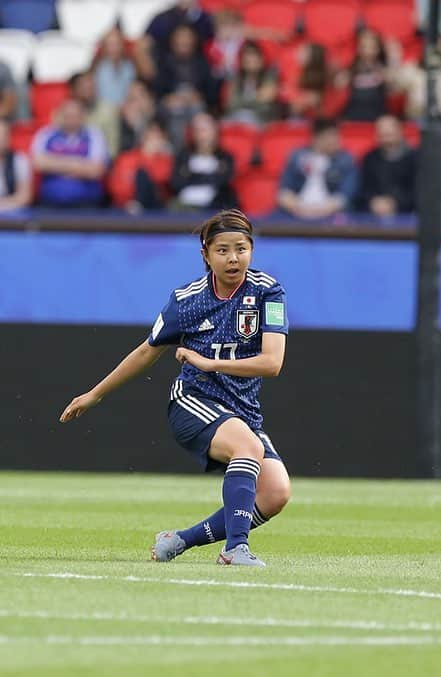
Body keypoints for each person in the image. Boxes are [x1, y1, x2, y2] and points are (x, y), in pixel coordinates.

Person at [59, 209, 291, 567]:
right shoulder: (186, 300)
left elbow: (272, 363)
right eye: (223, 250)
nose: (233, 258)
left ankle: (180, 540)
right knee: (246, 448)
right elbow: (145, 352)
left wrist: (211, 362)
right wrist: (95, 393)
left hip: (242, 409)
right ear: (205, 254)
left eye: (241, 249)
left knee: (275, 493)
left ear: (252, 250)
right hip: (194, 401)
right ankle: (235, 549)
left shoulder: (267, 292)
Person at [31, 99, 108, 208]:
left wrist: (54, 164)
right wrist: (79, 165)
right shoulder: (45, 134)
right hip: (50, 205)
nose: (71, 119)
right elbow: (38, 163)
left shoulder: (94, 135)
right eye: (67, 115)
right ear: (59, 115)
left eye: (75, 115)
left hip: (88, 205)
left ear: (83, 116)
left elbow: (96, 170)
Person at [277, 118, 357, 220]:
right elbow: (284, 192)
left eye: (336, 135)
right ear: (316, 138)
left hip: (331, 216)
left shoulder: (346, 160)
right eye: (329, 136)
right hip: (296, 213)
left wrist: (318, 211)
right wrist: (299, 208)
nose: (336, 140)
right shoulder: (297, 157)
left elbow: (345, 196)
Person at [170, 112, 236, 211]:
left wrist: (192, 176)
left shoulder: (225, 157)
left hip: (214, 206)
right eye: (198, 130)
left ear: (215, 132)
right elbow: (176, 183)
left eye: (206, 130)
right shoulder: (183, 156)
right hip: (185, 205)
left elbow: (224, 182)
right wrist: (211, 175)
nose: (202, 135)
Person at [356, 114, 417, 217]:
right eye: (382, 136)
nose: (386, 140)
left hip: (406, 215)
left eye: (389, 135)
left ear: (400, 132)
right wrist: (373, 202)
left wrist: (394, 203)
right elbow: (364, 189)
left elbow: (417, 191)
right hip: (373, 213)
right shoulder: (370, 158)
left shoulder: (415, 158)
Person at [0, 118, 31, 210]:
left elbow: (24, 197)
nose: (1, 140)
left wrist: (3, 205)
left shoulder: (19, 160)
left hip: (11, 211)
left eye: (3, 136)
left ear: (9, 138)